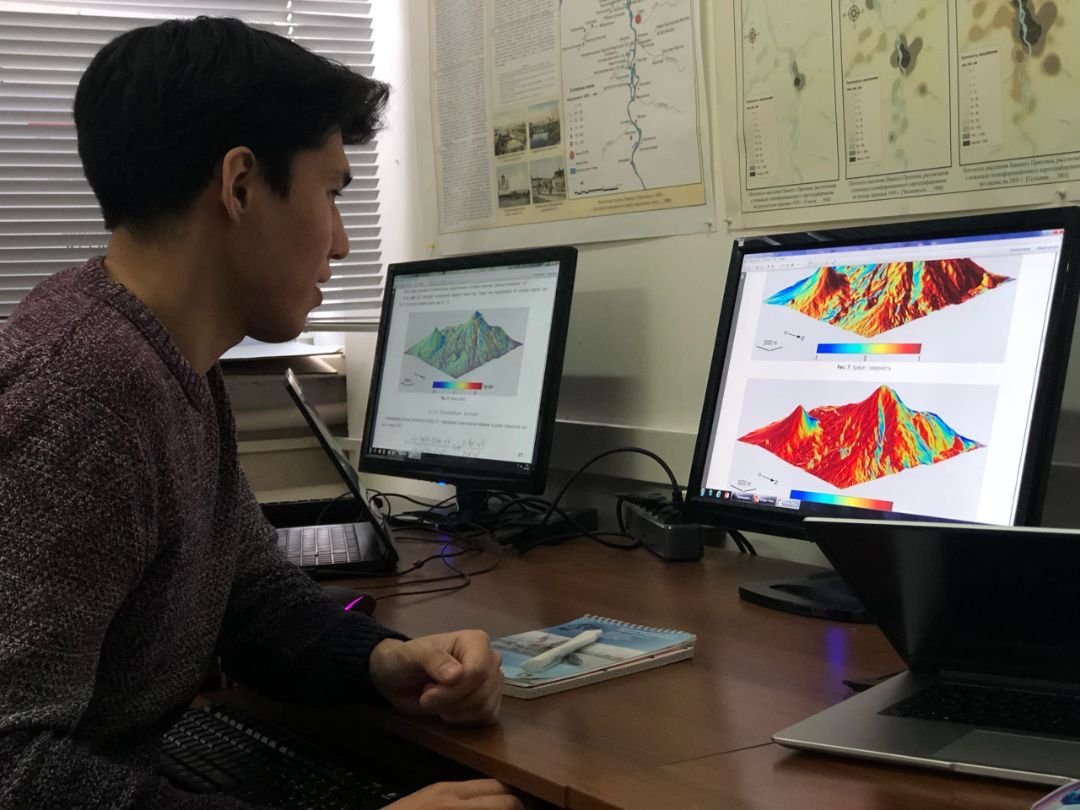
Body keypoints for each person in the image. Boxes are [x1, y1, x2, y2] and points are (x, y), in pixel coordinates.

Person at [0, 17, 520, 809]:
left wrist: (384, 661)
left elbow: (247, 596)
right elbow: (13, 773)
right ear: (240, 185)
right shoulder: (84, 395)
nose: (342, 244)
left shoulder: (170, 359)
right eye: (331, 194)